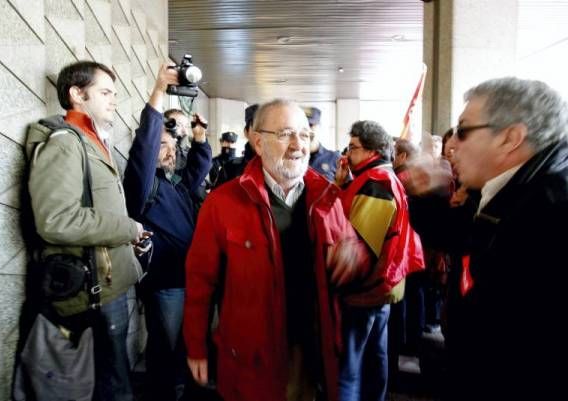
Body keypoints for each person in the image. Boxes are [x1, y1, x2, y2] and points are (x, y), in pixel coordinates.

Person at [184, 99, 369, 401]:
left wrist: (354, 256)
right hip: (250, 357)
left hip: (306, 351)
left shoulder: (327, 198)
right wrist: (196, 347)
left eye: (304, 135)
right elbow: (200, 283)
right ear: (257, 141)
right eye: (285, 134)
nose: (298, 145)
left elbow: (349, 260)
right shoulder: (222, 204)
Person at [407, 77, 568, 400]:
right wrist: (429, 196)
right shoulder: (514, 189)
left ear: (510, 138)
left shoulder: (553, 207)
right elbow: (465, 239)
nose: (453, 145)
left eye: (464, 131)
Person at [26, 61, 148, 401]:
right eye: (105, 92)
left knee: (114, 380)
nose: (113, 100)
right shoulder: (66, 143)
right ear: (77, 94)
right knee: (113, 388)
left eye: (114, 93)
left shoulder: (92, 140)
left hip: (110, 285)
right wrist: (128, 228)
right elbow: (56, 220)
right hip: (96, 294)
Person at [123, 65, 212, 401]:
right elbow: (144, 149)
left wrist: (200, 138)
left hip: (186, 277)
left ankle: (178, 389)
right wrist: (159, 91)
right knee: (168, 346)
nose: (170, 149)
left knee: (181, 342)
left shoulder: (173, 184)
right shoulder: (143, 186)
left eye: (172, 143)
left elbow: (196, 171)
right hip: (165, 282)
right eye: (162, 144)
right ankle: (166, 393)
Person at [334, 121, 424, 401]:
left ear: (371, 150)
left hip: (365, 289)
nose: (347, 155)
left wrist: (337, 280)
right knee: (375, 355)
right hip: (383, 286)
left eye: (353, 148)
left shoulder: (375, 184)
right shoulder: (377, 177)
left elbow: (360, 248)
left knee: (350, 367)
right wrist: (343, 186)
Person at [213, 104, 259, 187]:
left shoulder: (281, 170)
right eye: (257, 128)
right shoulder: (230, 169)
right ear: (246, 132)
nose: (262, 135)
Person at [305, 106, 340, 181]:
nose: (307, 130)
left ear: (319, 126)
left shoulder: (334, 158)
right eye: (303, 126)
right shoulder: (290, 158)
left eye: (310, 125)